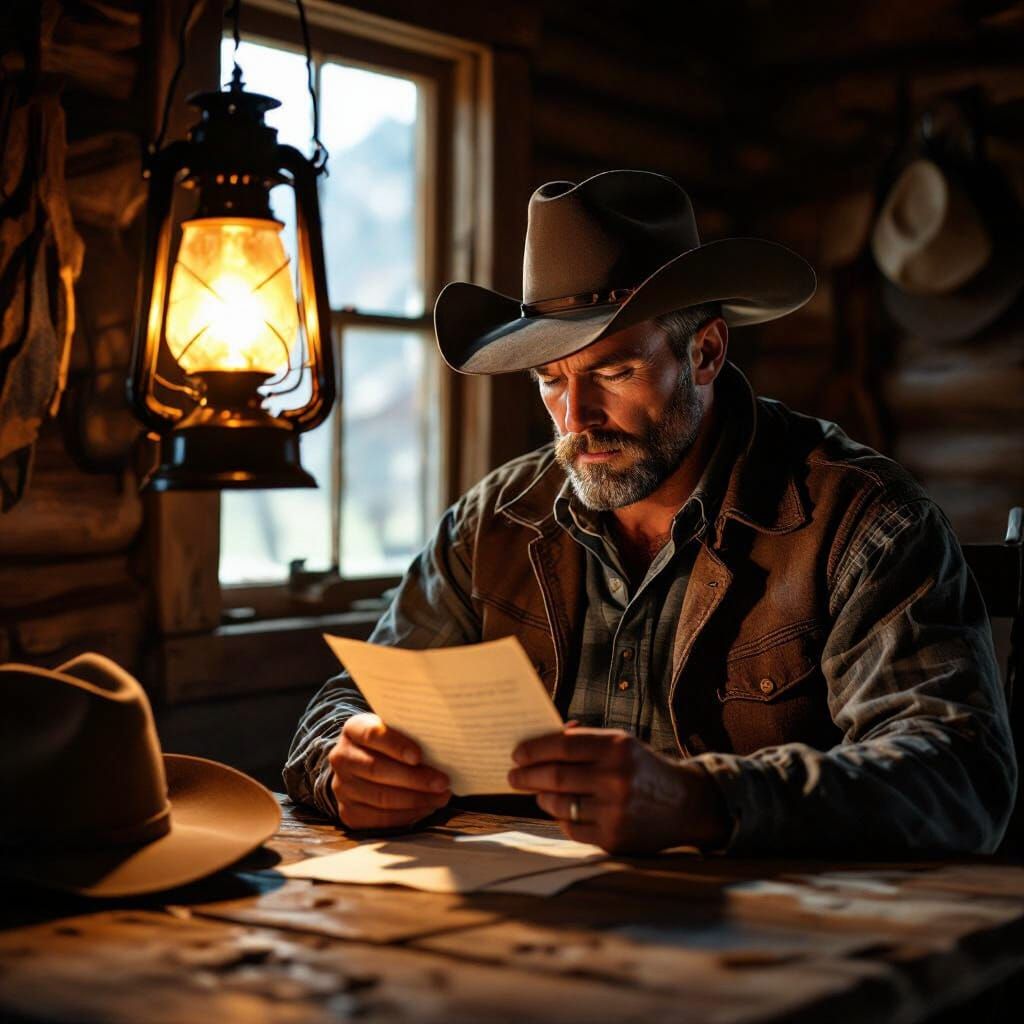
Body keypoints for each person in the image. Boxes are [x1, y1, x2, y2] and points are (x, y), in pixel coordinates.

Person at [283, 169, 1017, 856]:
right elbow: (347, 704)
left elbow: (960, 775)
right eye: (550, 380)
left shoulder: (861, 521)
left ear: (706, 352)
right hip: (524, 922)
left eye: (614, 371)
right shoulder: (493, 524)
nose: (576, 417)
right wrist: (344, 759)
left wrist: (707, 800)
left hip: (778, 933)